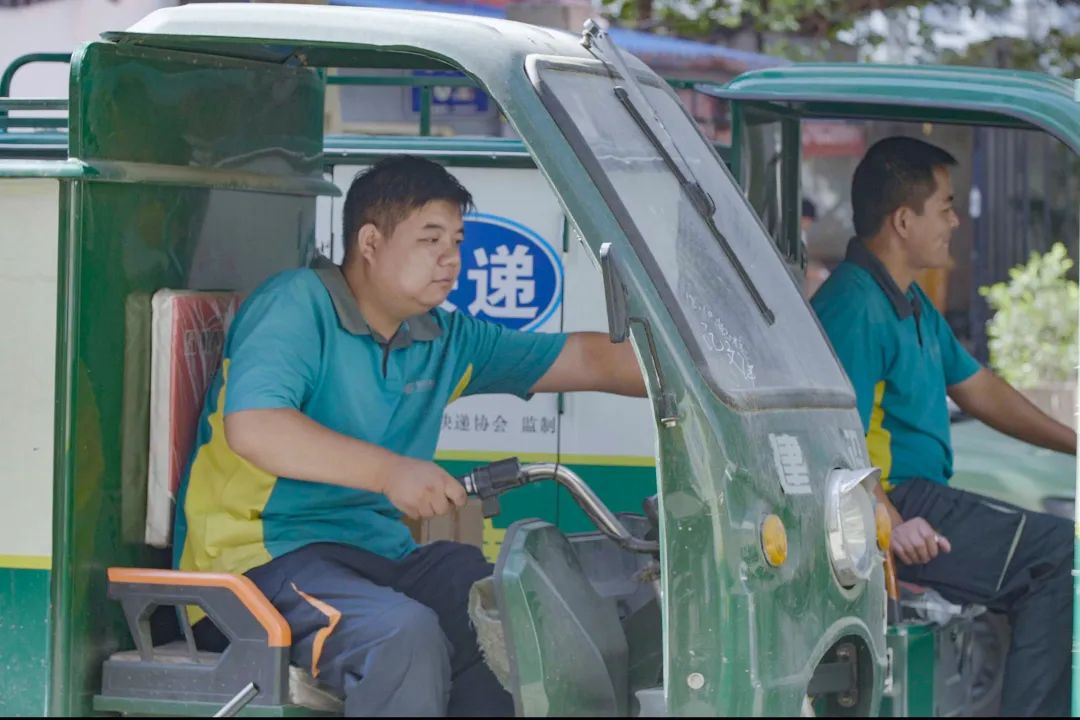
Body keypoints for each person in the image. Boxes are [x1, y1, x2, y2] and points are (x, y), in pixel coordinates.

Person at [173, 155, 646, 716]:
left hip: (372, 555)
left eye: (457, 241)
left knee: (495, 604)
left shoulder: (443, 337)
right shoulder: (296, 305)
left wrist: (708, 375)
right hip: (254, 565)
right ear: (370, 242)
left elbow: (588, 359)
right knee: (402, 633)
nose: (451, 260)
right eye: (430, 239)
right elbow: (255, 426)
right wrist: (390, 472)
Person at [811, 136, 1077, 717]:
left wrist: (1075, 444)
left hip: (920, 497)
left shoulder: (908, 301)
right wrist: (890, 520)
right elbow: (834, 439)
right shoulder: (855, 304)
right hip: (896, 501)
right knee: (1051, 552)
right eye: (947, 207)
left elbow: (980, 389)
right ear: (904, 220)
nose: (956, 220)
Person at [800, 197, 830, 298]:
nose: (810, 224)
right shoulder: (797, 236)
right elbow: (800, 268)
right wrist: (821, 274)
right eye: (810, 220)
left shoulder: (802, 234)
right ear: (805, 218)